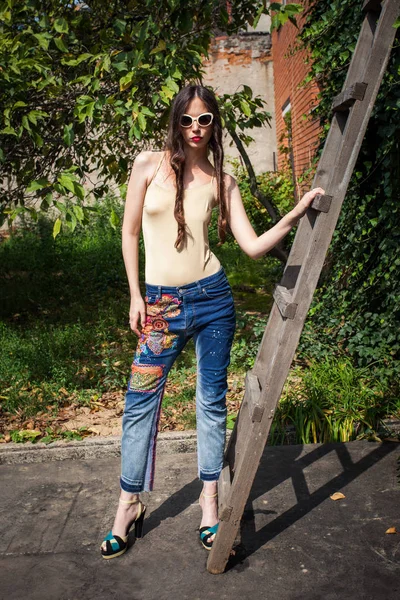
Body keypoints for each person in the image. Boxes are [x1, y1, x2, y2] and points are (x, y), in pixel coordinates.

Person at [100, 84, 325, 559]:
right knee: (139, 402)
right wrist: (135, 295)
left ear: (214, 124)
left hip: (212, 300)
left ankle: (209, 504)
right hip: (159, 306)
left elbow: (250, 245)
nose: (196, 129)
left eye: (205, 120)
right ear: (176, 122)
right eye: (188, 120)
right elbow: (128, 231)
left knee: (210, 403)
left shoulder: (222, 180)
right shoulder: (147, 164)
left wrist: (294, 213)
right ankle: (128, 505)